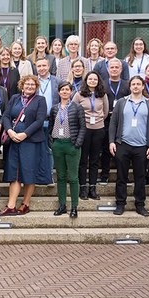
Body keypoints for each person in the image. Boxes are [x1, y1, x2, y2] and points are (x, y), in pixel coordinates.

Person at [0, 75, 50, 216]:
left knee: (29, 172)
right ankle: (11, 206)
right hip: (14, 140)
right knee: (14, 172)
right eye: (27, 84)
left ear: (36, 87)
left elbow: (39, 121)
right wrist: (9, 131)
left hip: (31, 142)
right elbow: (6, 116)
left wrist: (25, 134)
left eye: (33, 85)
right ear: (22, 85)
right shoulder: (15, 98)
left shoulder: (40, 100)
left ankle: (25, 204)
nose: (30, 87)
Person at [108, 76, 149, 216]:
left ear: (143, 86)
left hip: (142, 146)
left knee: (140, 177)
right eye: (133, 84)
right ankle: (120, 203)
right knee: (121, 176)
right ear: (130, 87)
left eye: (138, 84)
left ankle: (140, 204)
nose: (135, 86)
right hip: (123, 144)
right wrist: (111, 141)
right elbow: (113, 123)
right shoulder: (121, 102)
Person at [49, 81, 86, 217]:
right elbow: (51, 126)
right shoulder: (54, 108)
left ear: (71, 92)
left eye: (67, 89)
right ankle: (62, 205)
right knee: (61, 176)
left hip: (71, 144)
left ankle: (74, 207)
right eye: (62, 89)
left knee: (73, 177)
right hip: (58, 144)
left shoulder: (77, 107)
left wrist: (77, 144)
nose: (64, 92)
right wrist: (52, 143)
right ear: (59, 92)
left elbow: (83, 127)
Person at [72, 71, 109, 200]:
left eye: (95, 79)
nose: (92, 81)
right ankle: (83, 188)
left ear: (98, 81)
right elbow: (73, 111)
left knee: (94, 160)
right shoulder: (79, 94)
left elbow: (105, 112)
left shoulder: (102, 95)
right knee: (83, 160)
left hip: (98, 130)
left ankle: (92, 188)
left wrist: (97, 119)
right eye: (90, 79)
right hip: (84, 130)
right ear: (86, 81)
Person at [99, 58, 130, 185]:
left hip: (123, 121)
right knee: (106, 148)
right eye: (112, 67)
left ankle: (123, 176)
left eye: (117, 67)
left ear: (121, 69)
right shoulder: (102, 84)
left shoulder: (127, 85)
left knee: (123, 149)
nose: (114, 69)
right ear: (108, 69)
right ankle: (105, 175)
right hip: (106, 119)